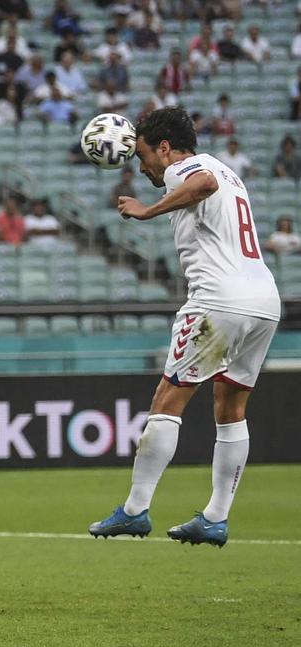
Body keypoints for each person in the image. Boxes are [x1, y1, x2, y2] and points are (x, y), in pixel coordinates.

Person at [91, 107, 280, 548]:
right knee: (230, 407)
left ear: (163, 147)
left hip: (219, 302)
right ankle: (215, 517)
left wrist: (146, 211)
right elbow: (212, 186)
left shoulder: (186, 168)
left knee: (166, 401)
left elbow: (201, 185)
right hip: (264, 302)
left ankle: (135, 511)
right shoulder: (228, 170)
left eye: (143, 157)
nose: (142, 168)